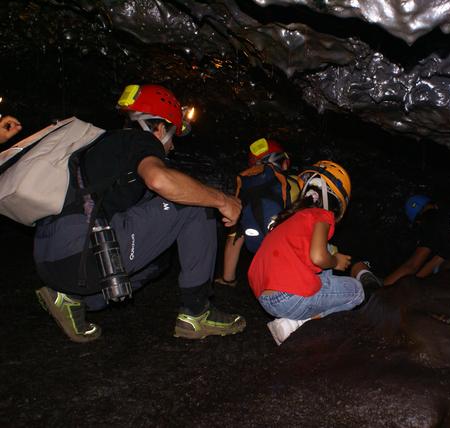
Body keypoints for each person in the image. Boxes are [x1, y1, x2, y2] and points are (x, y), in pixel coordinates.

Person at [33, 84, 245, 343]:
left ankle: (71, 299)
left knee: (158, 262)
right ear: (158, 127)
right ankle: (197, 312)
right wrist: (221, 200)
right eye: (172, 134)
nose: (172, 145)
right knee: (196, 203)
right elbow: (159, 180)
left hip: (54, 262)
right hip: (81, 252)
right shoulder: (140, 141)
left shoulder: (103, 147)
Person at [248, 160, 376, 345]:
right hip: (290, 298)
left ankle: (296, 318)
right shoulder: (323, 215)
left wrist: (329, 254)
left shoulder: (288, 221)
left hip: (266, 299)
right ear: (337, 201)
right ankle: (299, 323)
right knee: (357, 291)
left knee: (328, 249)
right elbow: (318, 257)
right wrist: (335, 261)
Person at [215, 137, 299, 287]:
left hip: (262, 261)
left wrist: (228, 278)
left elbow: (234, 237)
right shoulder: (294, 184)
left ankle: (229, 280)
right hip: (292, 262)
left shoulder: (245, 188)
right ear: (284, 163)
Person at [384, 195, 450, 285]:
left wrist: (382, 289)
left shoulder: (429, 226)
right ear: (435, 205)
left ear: (418, 222)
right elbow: (442, 255)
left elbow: (411, 266)